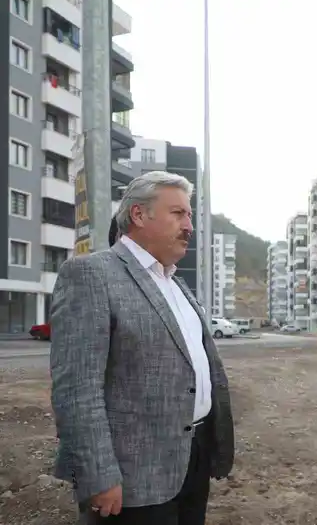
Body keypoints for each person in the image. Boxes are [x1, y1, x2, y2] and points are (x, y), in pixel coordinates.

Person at [50, 171, 234, 524]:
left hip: (190, 460)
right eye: (178, 213)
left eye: (189, 215)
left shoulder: (175, 284)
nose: (189, 226)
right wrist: (98, 475)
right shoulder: (91, 274)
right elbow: (76, 390)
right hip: (131, 476)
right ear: (138, 214)